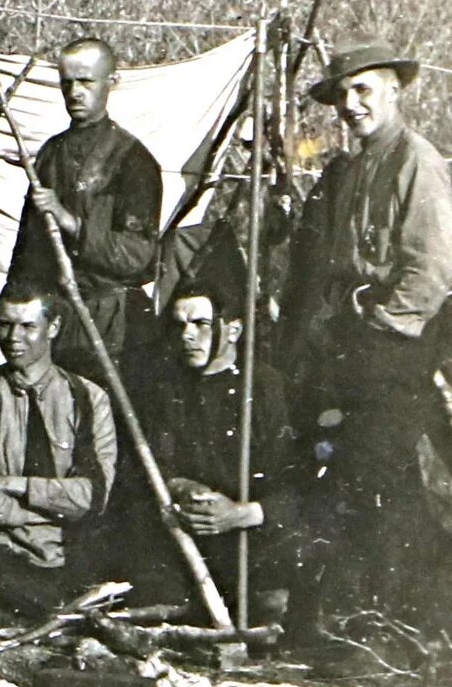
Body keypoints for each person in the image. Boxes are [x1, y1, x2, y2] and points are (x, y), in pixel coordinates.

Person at [280, 40, 452, 632]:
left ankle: (404, 627)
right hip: (344, 340)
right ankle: (350, 621)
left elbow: (429, 270)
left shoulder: (416, 162)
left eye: (364, 90)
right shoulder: (346, 169)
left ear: (394, 92)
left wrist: (380, 332)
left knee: (392, 484)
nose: (351, 106)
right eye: (342, 96)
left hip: (395, 347)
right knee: (340, 477)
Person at [0, 284, 119, 621]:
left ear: (52, 328)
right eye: (5, 324)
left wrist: (12, 484)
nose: (13, 337)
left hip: (64, 556)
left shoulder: (88, 398)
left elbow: (92, 497)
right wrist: (55, 505)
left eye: (27, 326)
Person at [134, 274, 297, 620]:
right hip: (190, 535)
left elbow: (296, 485)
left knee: (271, 608)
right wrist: (184, 488)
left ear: (233, 331)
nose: (187, 335)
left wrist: (239, 514)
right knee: (160, 607)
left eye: (201, 324)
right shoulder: (167, 389)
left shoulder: (266, 388)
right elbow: (155, 464)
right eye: (179, 325)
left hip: (254, 536)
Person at [3, 38, 163, 386]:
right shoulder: (50, 154)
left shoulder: (132, 160)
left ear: (111, 82)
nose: (75, 92)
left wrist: (72, 223)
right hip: (57, 323)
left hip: (114, 329)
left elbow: (139, 256)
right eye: (67, 83)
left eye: (86, 81)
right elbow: (28, 248)